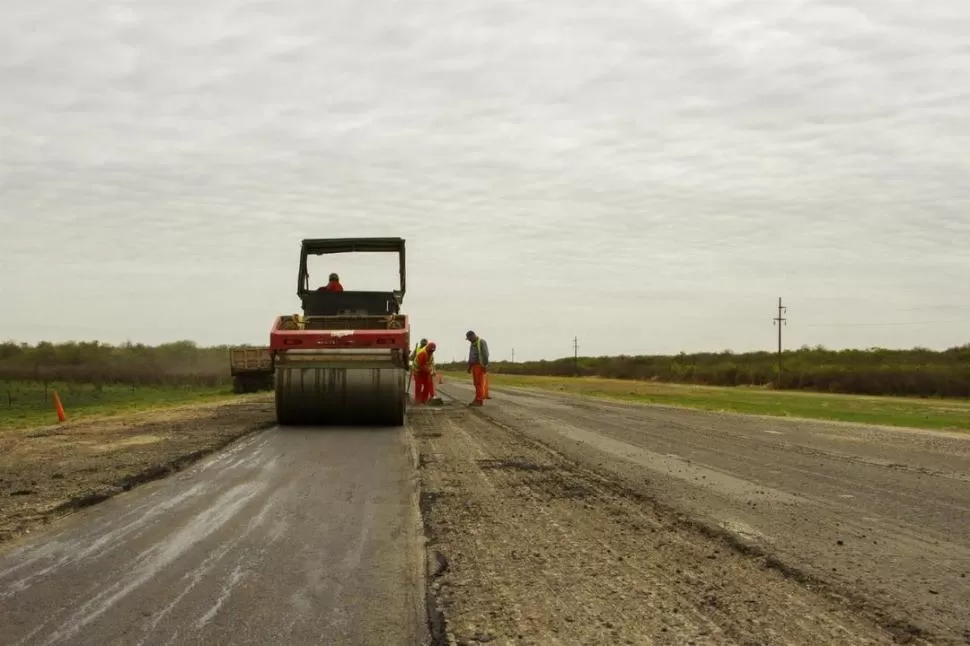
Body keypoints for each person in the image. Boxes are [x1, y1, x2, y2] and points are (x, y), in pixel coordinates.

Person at [465, 330, 489, 406]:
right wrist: (469, 367)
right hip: (473, 366)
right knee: (476, 384)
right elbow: (471, 356)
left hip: (480, 366)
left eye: (469, 338)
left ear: (472, 336)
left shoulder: (481, 342)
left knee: (479, 383)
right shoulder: (472, 344)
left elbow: (485, 355)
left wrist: (485, 366)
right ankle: (477, 398)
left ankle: (479, 400)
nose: (468, 340)